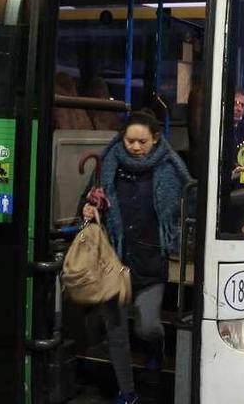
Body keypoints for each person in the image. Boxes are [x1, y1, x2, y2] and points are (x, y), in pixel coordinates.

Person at [81, 109, 190, 404]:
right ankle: (127, 392)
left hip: (151, 259)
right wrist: (90, 209)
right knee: (116, 331)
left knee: (147, 326)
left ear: (155, 139)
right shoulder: (109, 164)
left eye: (142, 141)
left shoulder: (168, 167)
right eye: (130, 140)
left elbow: (189, 201)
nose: (136, 147)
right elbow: (89, 198)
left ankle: (156, 345)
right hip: (114, 259)